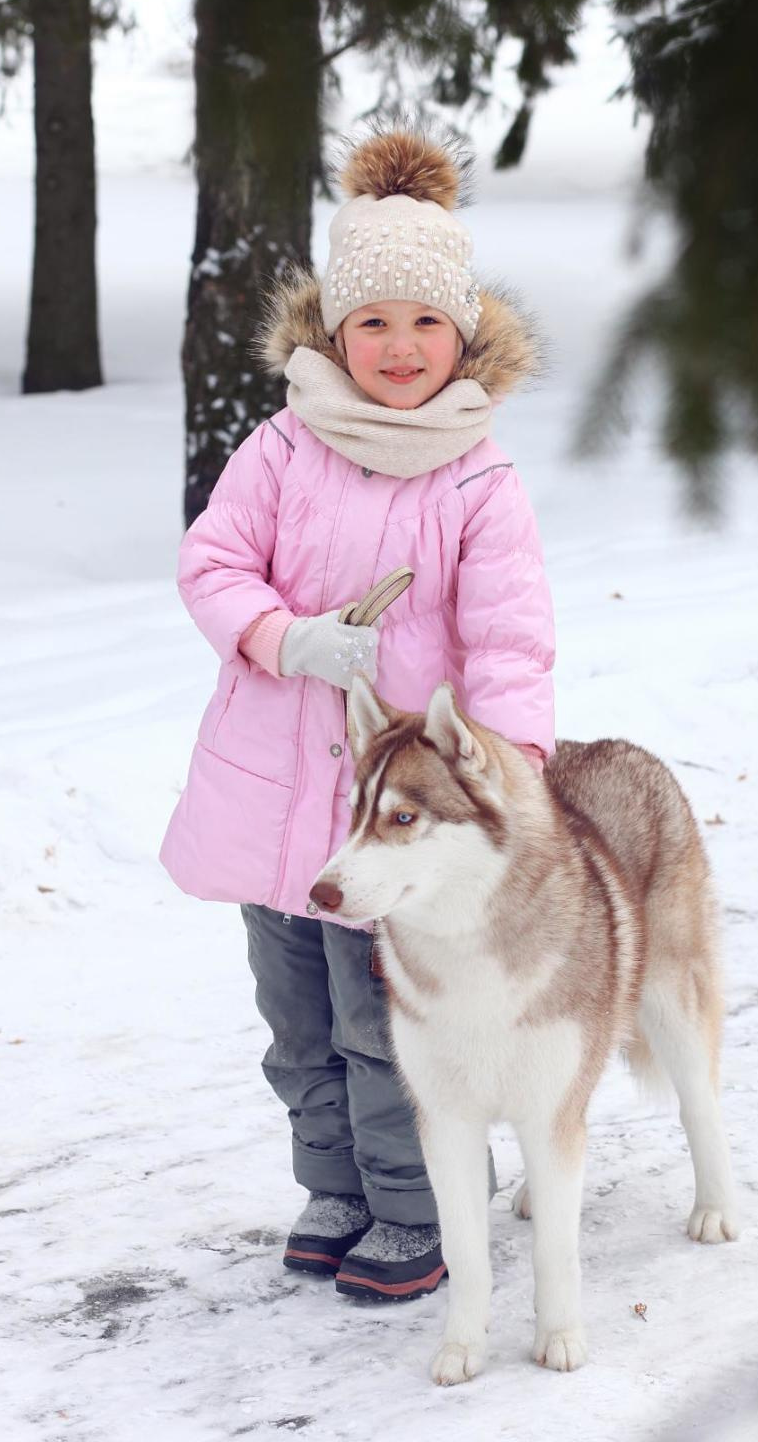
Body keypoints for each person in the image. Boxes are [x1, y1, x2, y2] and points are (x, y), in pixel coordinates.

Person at [160, 126, 556, 1301]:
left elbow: (510, 648)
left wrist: (509, 778)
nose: (398, 346)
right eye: (372, 321)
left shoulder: (478, 480)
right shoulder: (283, 446)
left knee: (384, 1029)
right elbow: (212, 563)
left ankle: (415, 1208)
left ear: (461, 336)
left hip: (394, 821)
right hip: (272, 794)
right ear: (334, 332)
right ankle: (332, 1189)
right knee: (297, 1028)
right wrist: (286, 638)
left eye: (425, 322)